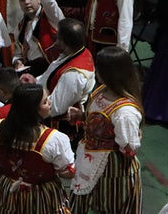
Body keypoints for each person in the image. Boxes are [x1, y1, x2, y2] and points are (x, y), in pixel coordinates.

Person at [69, 47, 143, 214]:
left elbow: (129, 147)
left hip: (113, 171)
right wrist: (82, 116)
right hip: (89, 160)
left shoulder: (125, 112)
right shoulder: (101, 92)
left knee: (110, 206)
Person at [0, 83, 75, 214]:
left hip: (5, 190)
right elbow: (66, 172)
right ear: (33, 110)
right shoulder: (53, 139)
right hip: (41, 196)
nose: (49, 102)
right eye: (44, 101)